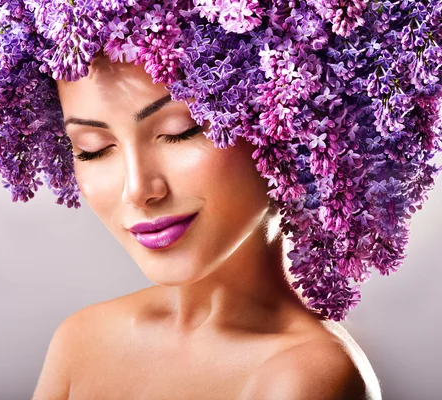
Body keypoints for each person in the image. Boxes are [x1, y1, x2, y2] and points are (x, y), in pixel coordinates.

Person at [31, 53, 381, 400]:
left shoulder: (306, 376)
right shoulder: (81, 340)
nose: (137, 190)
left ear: (290, 126)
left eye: (180, 132)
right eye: (93, 150)